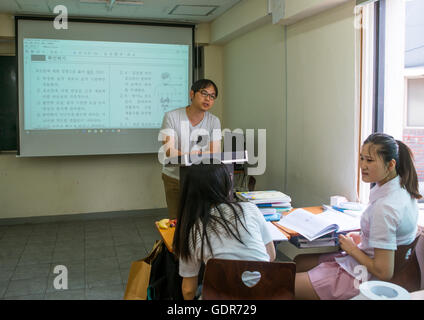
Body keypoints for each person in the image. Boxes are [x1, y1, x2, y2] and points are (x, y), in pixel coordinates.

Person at [294, 132, 421, 300]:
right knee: (298, 262)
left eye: (369, 160)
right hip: (363, 262)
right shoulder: (403, 191)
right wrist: (364, 239)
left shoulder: (386, 207)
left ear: (390, 165)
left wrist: (352, 248)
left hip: (362, 276)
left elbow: (384, 272)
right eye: (361, 158)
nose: (363, 165)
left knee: (284, 283)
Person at [172, 163, 276, 300]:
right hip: (264, 293)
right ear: (226, 186)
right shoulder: (250, 209)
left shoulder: (193, 229)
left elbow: (188, 290)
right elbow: (271, 255)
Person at [159, 79, 222, 219]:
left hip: (202, 178)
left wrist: (191, 156)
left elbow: (215, 153)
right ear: (192, 94)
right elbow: (170, 150)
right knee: (177, 222)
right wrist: (197, 156)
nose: (208, 99)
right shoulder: (172, 116)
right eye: (204, 93)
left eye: (212, 96)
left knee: (202, 221)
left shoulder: (214, 121)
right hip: (175, 177)